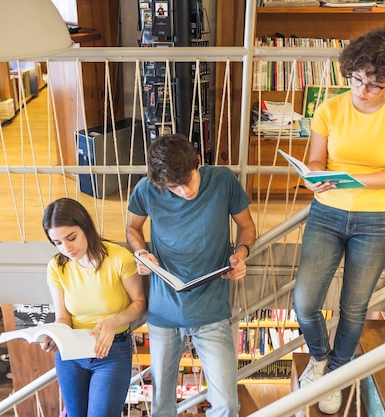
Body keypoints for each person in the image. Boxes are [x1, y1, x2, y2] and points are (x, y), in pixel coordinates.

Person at [292, 26, 385, 415]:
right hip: (327, 213)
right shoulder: (330, 108)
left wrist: (353, 178)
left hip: (375, 221)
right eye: (357, 79)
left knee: (354, 306)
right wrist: (313, 177)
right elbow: (316, 161)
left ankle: (336, 371)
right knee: (305, 302)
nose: (362, 90)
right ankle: (320, 359)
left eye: (375, 85)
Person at [126, 134, 256, 417]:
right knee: (161, 406)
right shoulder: (147, 189)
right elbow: (132, 229)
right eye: (174, 186)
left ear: (198, 162)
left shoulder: (222, 180)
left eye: (188, 180)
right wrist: (140, 252)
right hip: (162, 311)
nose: (185, 191)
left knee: (227, 405)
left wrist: (242, 255)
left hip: (211, 312)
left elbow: (247, 227)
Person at [40, 197, 146, 417]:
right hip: (71, 352)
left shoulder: (119, 258)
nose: (67, 248)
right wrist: (55, 335)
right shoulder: (56, 267)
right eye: (58, 243)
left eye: (71, 238)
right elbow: (63, 317)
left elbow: (140, 304)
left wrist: (114, 321)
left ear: (86, 228)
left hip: (112, 351)